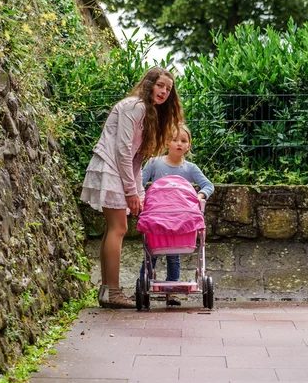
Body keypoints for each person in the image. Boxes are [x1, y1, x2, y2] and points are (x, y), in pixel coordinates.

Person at [81, 67, 184, 308]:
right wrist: (131, 191)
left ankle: (108, 291)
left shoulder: (147, 112)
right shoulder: (135, 106)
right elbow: (123, 150)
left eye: (168, 89)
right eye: (160, 85)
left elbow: (137, 159)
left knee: (114, 228)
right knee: (118, 228)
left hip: (118, 169)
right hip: (111, 166)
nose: (164, 92)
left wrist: (138, 193)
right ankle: (113, 292)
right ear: (149, 84)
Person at [139, 124, 214, 306]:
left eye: (183, 141)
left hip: (179, 218)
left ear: (188, 146)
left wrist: (200, 195)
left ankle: (172, 292)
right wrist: (141, 198)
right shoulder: (154, 163)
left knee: (174, 255)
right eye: (174, 140)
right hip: (158, 216)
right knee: (152, 253)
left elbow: (208, 185)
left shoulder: (190, 168)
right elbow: (139, 182)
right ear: (166, 142)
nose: (179, 144)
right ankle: (143, 286)